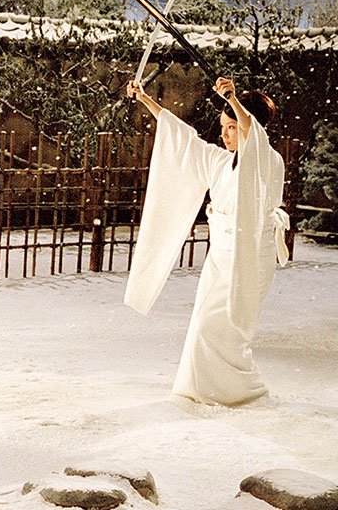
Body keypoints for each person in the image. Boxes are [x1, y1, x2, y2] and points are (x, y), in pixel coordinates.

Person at [124, 76, 289, 406]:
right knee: (203, 324)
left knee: (228, 329)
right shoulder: (220, 162)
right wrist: (144, 100)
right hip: (221, 257)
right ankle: (205, 391)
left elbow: (251, 132)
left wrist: (233, 100)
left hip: (251, 253)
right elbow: (183, 138)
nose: (225, 134)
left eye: (231, 127)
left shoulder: (266, 159)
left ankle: (241, 393)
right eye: (223, 126)